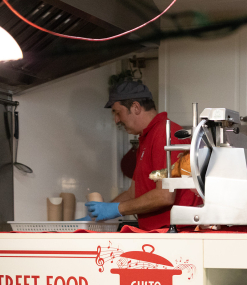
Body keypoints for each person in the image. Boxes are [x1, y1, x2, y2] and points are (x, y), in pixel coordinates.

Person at [85, 80, 200, 230]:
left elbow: (164, 196)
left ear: (136, 107)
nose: (116, 120)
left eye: (118, 113)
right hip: (159, 232)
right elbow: (134, 193)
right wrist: (102, 210)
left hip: (175, 232)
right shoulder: (147, 137)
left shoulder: (165, 134)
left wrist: (117, 209)